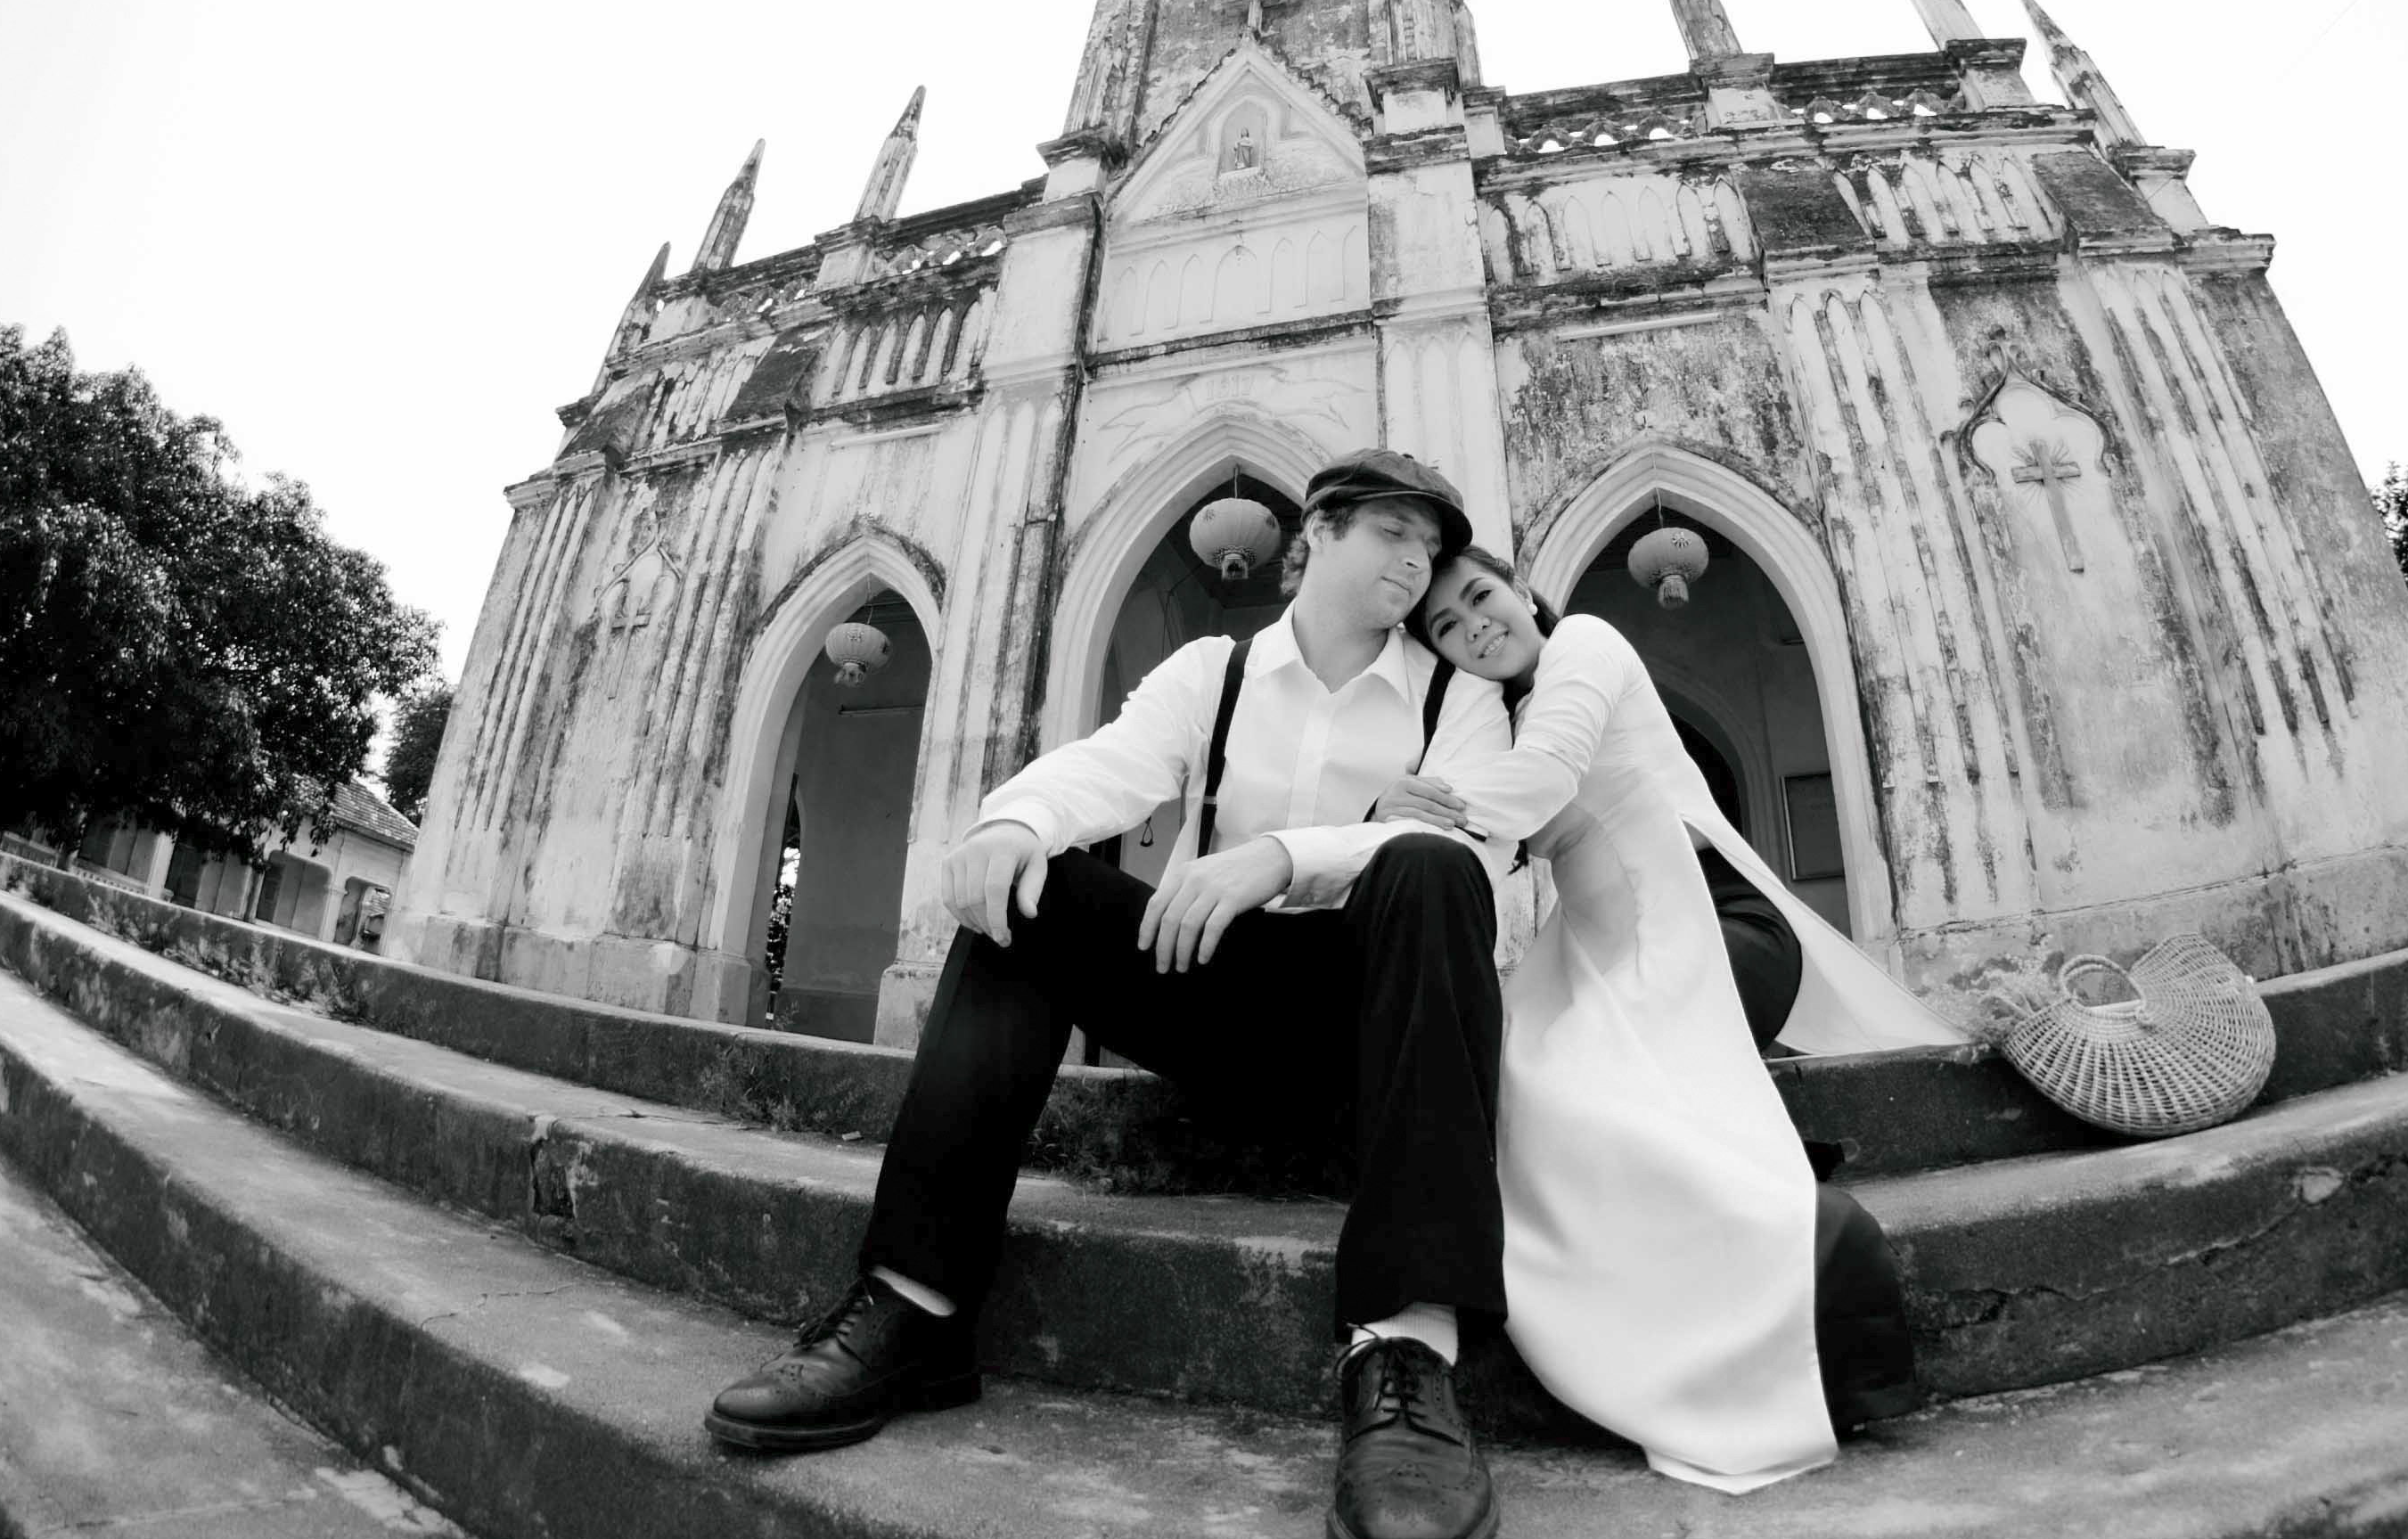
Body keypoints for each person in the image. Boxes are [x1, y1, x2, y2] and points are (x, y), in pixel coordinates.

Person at [706, 450, 1517, 1539]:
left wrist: (1281, 855)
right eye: (1393, 532)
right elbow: (1112, 763)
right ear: (1318, 530)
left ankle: (1406, 1350)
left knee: (1430, 868)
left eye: (1432, 545)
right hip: (1210, 999)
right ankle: (917, 1305)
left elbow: (1468, 846)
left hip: (1364, 1030)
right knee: (1029, 885)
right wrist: (1011, 823)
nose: (1417, 561)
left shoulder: (1459, 697)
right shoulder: (1214, 672)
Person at [1383, 545, 1969, 1494]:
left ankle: (1800, 1259)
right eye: (1446, 627)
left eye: (1481, 597)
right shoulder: (1493, 718)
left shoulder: (1584, 642)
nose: (1473, 627)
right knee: (1519, 1080)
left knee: (1592, 1086)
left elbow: (1537, 786)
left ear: (1521, 593)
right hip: (1605, 949)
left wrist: (1386, 818)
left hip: (1716, 920)